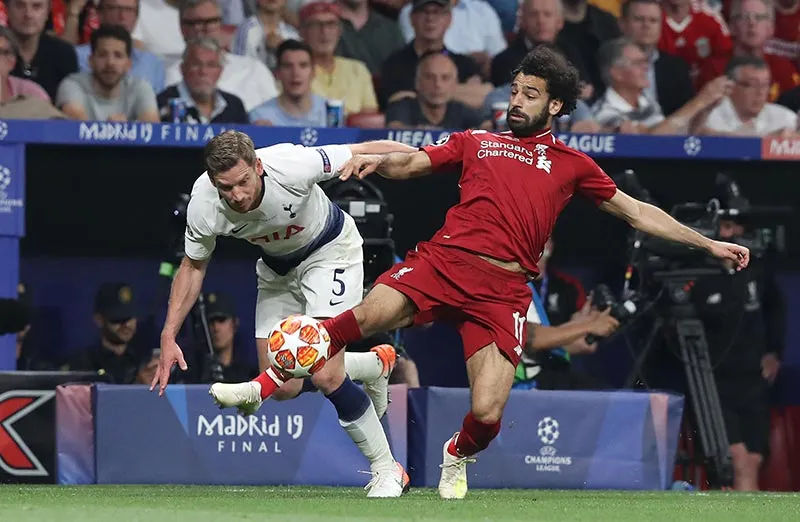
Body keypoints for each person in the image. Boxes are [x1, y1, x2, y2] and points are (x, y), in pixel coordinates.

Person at [183, 45, 750, 499]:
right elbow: (417, 161)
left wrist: (706, 244)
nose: (518, 101)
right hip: (443, 262)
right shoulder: (478, 141)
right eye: (515, 91)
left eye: (531, 94)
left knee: (487, 412)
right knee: (359, 316)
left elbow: (635, 210)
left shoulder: (573, 165)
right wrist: (373, 160)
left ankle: (455, 452)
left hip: (503, 290)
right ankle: (269, 384)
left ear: (555, 106)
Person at [150, 131, 417, 497]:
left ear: (258, 167)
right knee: (285, 387)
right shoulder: (204, 203)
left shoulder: (292, 165)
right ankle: (374, 365)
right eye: (226, 187)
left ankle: (388, 470)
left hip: (330, 252)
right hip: (276, 270)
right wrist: (168, 335)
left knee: (325, 375)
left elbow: (363, 149)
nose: (238, 195)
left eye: (244, 181)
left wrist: (428, 157)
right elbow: (193, 267)